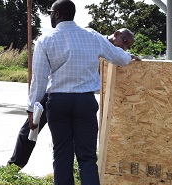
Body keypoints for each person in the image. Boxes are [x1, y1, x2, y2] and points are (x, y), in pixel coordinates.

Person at [26, 0, 135, 185]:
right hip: (85, 102)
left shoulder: (46, 40)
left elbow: (39, 81)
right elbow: (118, 56)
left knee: (62, 157)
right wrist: (130, 57)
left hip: (59, 103)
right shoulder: (92, 36)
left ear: (56, 14)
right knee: (87, 159)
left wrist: (32, 108)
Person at [8, 27, 139, 169]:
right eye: (124, 42)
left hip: (78, 99)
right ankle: (14, 166)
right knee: (31, 129)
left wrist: (128, 56)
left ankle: (71, 173)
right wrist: (33, 104)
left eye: (127, 46)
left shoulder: (105, 46)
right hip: (56, 92)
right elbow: (39, 76)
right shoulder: (94, 38)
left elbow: (119, 56)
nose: (123, 47)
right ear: (116, 34)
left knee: (70, 142)